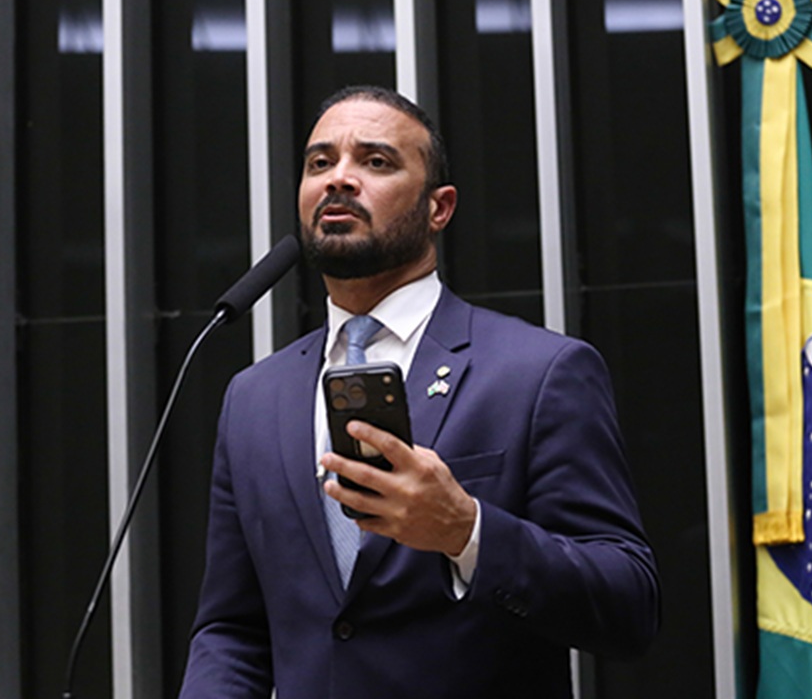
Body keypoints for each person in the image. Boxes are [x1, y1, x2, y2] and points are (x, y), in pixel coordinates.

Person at [179, 86, 659, 698]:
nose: (338, 179)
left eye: (375, 161)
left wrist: (466, 531)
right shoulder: (254, 398)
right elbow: (232, 631)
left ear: (440, 208)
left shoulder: (538, 373)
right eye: (320, 162)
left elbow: (628, 605)